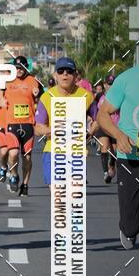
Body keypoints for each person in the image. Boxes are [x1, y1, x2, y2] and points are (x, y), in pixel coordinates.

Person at [96, 30, 139, 276]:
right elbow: (103, 114)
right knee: (133, 225)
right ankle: (127, 228)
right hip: (131, 161)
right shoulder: (127, 80)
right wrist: (119, 135)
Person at [34, 57, 94, 187]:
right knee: (58, 197)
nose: (65, 74)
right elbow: (38, 128)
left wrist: (90, 132)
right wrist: (53, 130)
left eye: (69, 71)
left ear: (75, 75)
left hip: (76, 153)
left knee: (74, 198)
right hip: (53, 151)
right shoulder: (47, 97)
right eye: (61, 71)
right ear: (55, 75)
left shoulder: (86, 96)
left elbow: (100, 118)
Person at [2, 56, 42, 196]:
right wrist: (1, 100)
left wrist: (36, 94)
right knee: (13, 154)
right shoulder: (7, 80)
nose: (19, 70)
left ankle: (25, 184)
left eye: (21, 68)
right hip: (12, 122)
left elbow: (38, 94)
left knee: (27, 158)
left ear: (26, 67)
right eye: (17, 68)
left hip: (27, 123)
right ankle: (13, 174)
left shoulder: (32, 80)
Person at [89, 75, 118, 182]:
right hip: (102, 125)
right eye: (109, 84)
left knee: (115, 152)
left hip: (115, 126)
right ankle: (106, 172)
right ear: (105, 85)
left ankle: (112, 164)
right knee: (104, 147)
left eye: (113, 84)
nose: (111, 86)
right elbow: (93, 109)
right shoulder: (99, 96)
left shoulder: (120, 96)